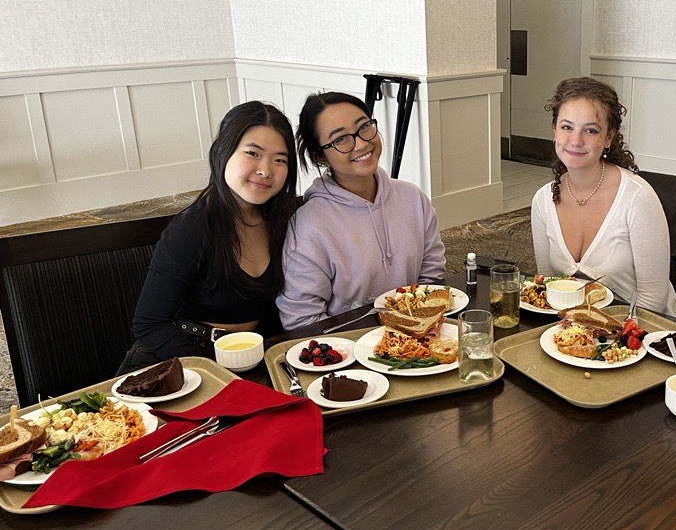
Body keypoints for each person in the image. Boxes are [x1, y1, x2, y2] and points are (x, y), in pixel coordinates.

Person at [117, 101, 298, 373]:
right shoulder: (191, 229)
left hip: (249, 360)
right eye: (252, 153)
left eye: (280, 160)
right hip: (178, 362)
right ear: (222, 153)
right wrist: (213, 374)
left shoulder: (282, 221)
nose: (266, 170)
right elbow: (148, 323)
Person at [276, 91, 445, 328]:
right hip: (349, 349)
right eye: (341, 139)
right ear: (320, 157)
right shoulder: (308, 226)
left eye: (364, 126)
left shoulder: (413, 198)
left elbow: (431, 280)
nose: (362, 143)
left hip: (418, 338)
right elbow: (302, 321)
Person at [531, 77, 676, 317]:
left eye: (590, 130)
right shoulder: (542, 200)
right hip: (574, 331)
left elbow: (653, 298)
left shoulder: (638, 198)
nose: (576, 140)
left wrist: (607, 339)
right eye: (567, 127)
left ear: (609, 137)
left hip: (644, 331)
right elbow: (549, 286)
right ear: (554, 130)